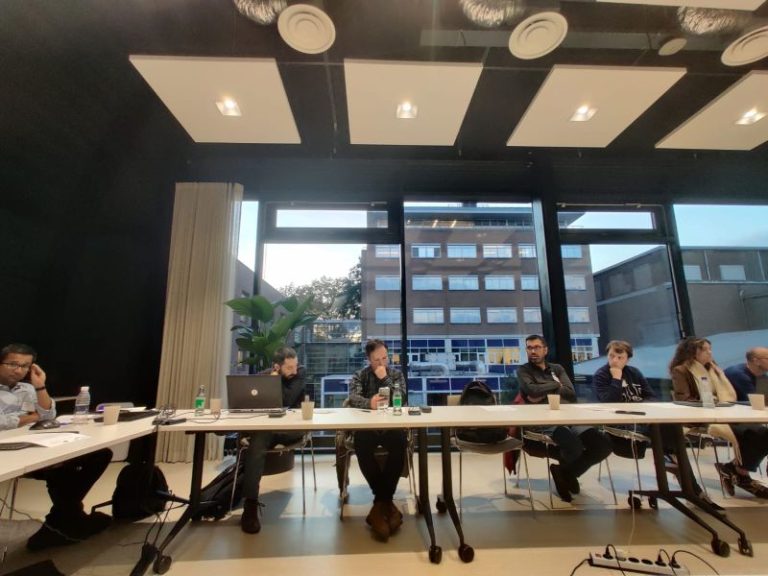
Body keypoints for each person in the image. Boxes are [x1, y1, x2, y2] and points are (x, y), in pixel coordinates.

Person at [0, 343, 112, 551]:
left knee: (99, 454)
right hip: (5, 452)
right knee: (61, 469)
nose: (19, 370)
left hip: (32, 445)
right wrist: (32, 417)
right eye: (13, 364)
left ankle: (62, 518)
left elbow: (48, 415)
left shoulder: (27, 388)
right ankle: (66, 519)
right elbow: (2, 422)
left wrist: (40, 386)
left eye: (25, 366)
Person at [595, 340, 723, 510]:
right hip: (621, 422)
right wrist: (616, 378)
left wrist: (640, 406)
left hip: (644, 418)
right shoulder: (602, 374)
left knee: (670, 428)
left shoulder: (634, 373)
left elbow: (651, 396)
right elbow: (609, 401)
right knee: (672, 438)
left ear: (628, 358)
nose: (615, 360)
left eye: (620, 357)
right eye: (611, 356)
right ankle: (690, 486)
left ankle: (683, 477)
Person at [517, 334, 612, 503]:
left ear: (545, 350)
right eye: (529, 348)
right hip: (545, 421)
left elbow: (570, 392)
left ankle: (566, 473)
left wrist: (541, 390)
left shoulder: (557, 369)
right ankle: (567, 474)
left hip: (569, 416)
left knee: (602, 445)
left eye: (537, 347)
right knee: (574, 446)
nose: (533, 351)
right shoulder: (524, 370)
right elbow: (532, 392)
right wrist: (556, 385)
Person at [670, 337, 768, 499]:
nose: (709, 353)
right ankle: (739, 473)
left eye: (710, 349)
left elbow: (729, 397)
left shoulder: (715, 370)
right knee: (755, 432)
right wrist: (711, 402)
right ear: (692, 352)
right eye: (704, 349)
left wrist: (720, 404)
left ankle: (735, 469)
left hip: (725, 412)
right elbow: (684, 399)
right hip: (701, 417)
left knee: (762, 432)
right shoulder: (681, 371)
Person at [241, 346, 306, 534]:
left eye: (295, 366)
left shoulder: (300, 374)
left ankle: (249, 502)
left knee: (258, 440)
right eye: (289, 368)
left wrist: (274, 381)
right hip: (268, 430)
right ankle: (250, 505)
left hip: (292, 430)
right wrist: (271, 379)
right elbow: (249, 403)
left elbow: (286, 399)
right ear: (276, 367)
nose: (294, 370)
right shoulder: (263, 377)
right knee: (259, 438)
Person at [347, 339, 407, 541]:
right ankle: (386, 503)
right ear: (368, 359)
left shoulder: (395, 375)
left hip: (391, 426)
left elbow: (402, 397)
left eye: (385, 358)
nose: (382, 363)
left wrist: (385, 379)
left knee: (400, 442)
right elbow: (353, 398)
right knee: (361, 443)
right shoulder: (361, 375)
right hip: (368, 427)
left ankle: (379, 504)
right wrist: (369, 403)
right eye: (377, 360)